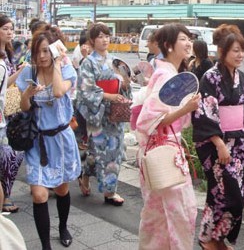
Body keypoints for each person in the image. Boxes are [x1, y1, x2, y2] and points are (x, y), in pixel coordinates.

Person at [192, 24, 244, 250]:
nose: (240, 55)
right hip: (216, 145)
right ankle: (207, 237)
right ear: (222, 52)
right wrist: (219, 144)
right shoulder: (210, 78)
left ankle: (218, 237)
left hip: (237, 144)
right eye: (235, 51)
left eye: (242, 50)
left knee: (238, 196)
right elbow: (205, 112)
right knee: (224, 194)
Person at [136, 23, 200, 249]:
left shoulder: (169, 73)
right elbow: (150, 119)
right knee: (180, 211)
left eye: (189, 38)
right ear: (168, 46)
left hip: (167, 148)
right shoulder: (165, 75)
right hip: (164, 150)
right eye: (183, 38)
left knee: (160, 213)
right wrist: (186, 109)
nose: (188, 43)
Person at [17, 27, 80, 249]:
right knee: (39, 194)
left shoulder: (67, 70)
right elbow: (24, 108)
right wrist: (27, 94)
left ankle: (63, 227)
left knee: (62, 190)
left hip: (61, 141)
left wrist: (58, 62)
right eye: (38, 51)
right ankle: (45, 244)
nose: (41, 56)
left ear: (54, 51)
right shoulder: (28, 73)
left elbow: (58, 92)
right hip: (37, 142)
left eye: (46, 51)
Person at [76, 23, 132, 204]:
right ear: (92, 40)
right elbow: (85, 90)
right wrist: (108, 96)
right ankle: (85, 174)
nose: (105, 39)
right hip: (98, 114)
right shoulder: (88, 63)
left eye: (107, 36)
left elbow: (124, 85)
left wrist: (124, 86)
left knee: (114, 151)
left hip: (114, 115)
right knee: (97, 152)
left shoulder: (115, 61)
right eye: (100, 36)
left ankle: (110, 192)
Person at [0, 15, 26, 214]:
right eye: (5, 29)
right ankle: (6, 195)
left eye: (11, 29)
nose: (10, 32)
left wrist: (19, 71)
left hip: (8, 113)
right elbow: (6, 82)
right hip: (3, 113)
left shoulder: (7, 52)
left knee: (11, 155)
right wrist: (19, 72)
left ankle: (6, 193)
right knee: (9, 156)